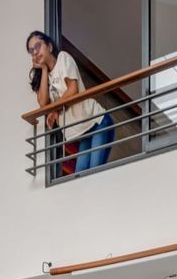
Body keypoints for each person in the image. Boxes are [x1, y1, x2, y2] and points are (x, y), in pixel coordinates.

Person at [26, 30, 115, 174]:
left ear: (49, 46)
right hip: (83, 132)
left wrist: (55, 110)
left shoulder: (63, 58)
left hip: (97, 122)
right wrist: (43, 69)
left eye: (38, 46)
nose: (35, 52)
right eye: (31, 51)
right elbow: (43, 104)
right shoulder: (44, 78)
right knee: (80, 177)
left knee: (94, 174)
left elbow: (72, 89)